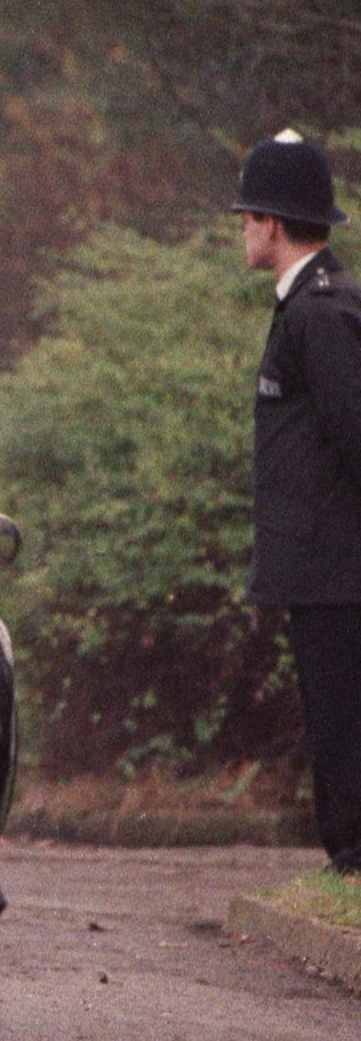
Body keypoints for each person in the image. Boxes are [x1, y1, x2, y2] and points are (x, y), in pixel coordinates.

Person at [234, 129, 361, 875]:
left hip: (336, 566)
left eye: (248, 217)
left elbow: (354, 432)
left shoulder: (318, 312)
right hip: (325, 565)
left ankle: (351, 856)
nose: (244, 230)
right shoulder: (314, 305)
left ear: (273, 226)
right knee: (335, 716)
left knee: (342, 720)